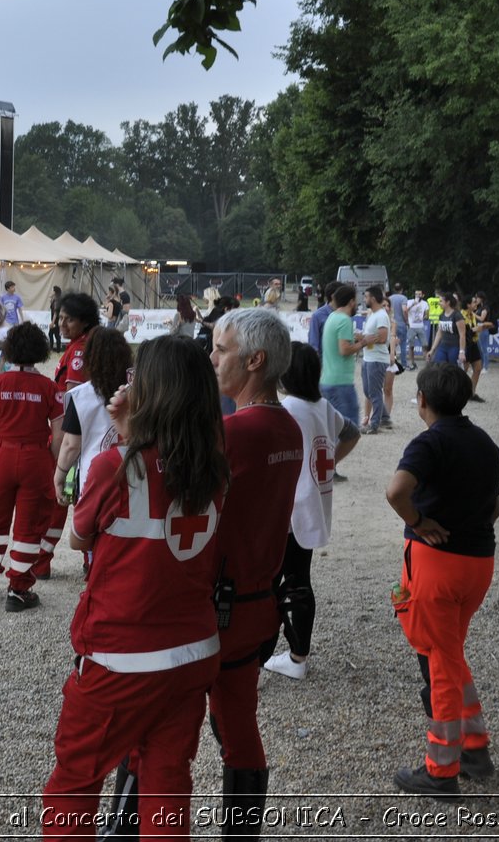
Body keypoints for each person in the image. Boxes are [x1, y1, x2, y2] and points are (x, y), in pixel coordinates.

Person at [45, 335, 227, 841]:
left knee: (74, 782)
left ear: (151, 391)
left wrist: (124, 439)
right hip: (193, 652)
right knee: (168, 782)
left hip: (120, 657)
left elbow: (79, 536)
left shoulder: (115, 467)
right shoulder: (214, 465)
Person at [207, 308, 304, 831]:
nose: (212, 357)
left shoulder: (234, 433)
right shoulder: (287, 425)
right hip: (257, 603)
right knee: (240, 726)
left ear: (254, 360)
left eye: (221, 349)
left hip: (214, 607)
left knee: (156, 728)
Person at [385, 362, 499, 795]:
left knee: (439, 663)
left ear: (422, 400)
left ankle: (441, 770)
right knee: (450, 655)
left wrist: (418, 521)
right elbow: (492, 508)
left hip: (438, 565)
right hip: (477, 563)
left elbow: (396, 491)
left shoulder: (429, 443)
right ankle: (474, 750)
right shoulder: (485, 443)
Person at [264, 343, 360, 681]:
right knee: (299, 581)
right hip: (310, 507)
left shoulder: (285, 407)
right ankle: (297, 654)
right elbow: (353, 433)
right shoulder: (321, 406)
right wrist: (330, 463)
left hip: (286, 513)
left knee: (271, 585)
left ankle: (276, 656)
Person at [0, 322, 61, 612]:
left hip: (2, 455)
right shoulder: (50, 388)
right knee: (29, 525)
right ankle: (18, 590)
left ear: (10, 350)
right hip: (36, 458)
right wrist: (48, 461)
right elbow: (58, 437)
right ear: (40, 351)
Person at [33, 292, 99, 575]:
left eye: (68, 319)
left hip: (74, 434)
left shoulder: (80, 350)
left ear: (83, 321)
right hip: (85, 433)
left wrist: (62, 446)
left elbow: (72, 401)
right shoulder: (83, 344)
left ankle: (42, 560)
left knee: (60, 497)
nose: (60, 323)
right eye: (59, 317)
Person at [51, 325, 132, 517]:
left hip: (93, 479)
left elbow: (71, 444)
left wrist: (59, 474)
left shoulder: (80, 396)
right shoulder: (138, 390)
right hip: (133, 475)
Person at [320, 284, 366, 428]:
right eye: (356, 301)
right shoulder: (344, 320)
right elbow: (344, 350)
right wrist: (364, 342)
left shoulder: (332, 316)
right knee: (350, 427)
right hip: (340, 382)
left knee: (333, 427)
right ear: (351, 301)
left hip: (328, 380)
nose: (357, 304)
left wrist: (355, 340)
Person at [359, 285, 392, 434]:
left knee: (374, 392)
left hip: (377, 359)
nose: (364, 299)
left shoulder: (381, 315)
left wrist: (362, 339)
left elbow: (383, 338)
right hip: (368, 357)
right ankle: (384, 417)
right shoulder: (372, 314)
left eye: (366, 296)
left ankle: (374, 424)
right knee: (368, 391)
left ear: (372, 298)